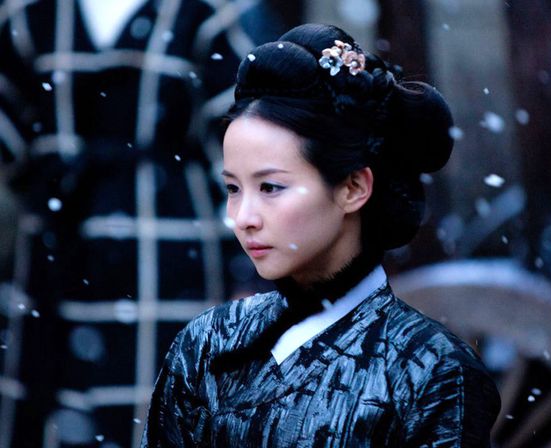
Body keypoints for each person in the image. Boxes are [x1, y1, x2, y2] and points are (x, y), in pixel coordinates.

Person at [141, 23, 501, 447]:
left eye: (270, 187)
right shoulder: (208, 343)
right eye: (233, 189)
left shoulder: (431, 369)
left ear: (353, 187)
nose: (242, 217)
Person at [0, 1, 281, 446]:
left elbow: (250, 146)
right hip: (53, 261)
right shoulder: (31, 14)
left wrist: (252, 269)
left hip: (170, 259)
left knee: (163, 411)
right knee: (48, 416)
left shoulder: (208, 12)